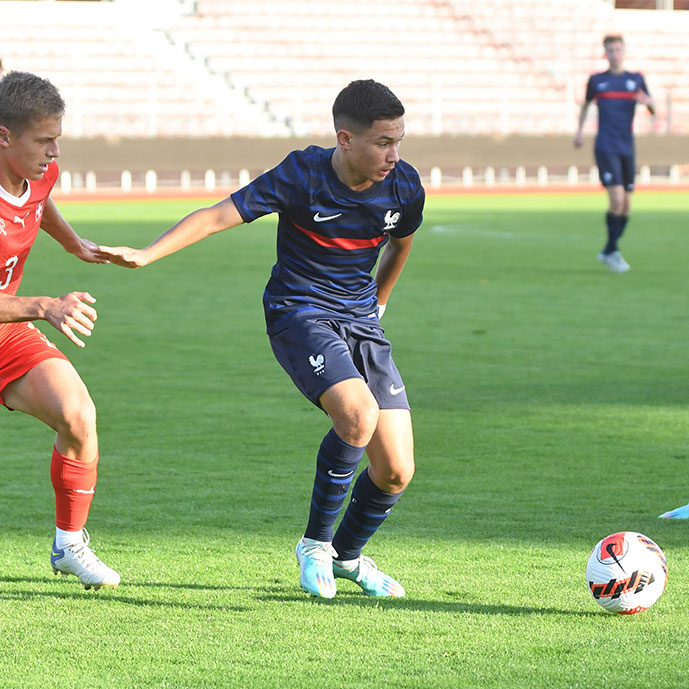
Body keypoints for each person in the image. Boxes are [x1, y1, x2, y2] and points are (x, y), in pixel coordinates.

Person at [99, 79, 424, 599]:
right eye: (384, 142)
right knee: (357, 415)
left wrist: (379, 303)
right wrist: (146, 253)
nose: (394, 154)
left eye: (399, 140)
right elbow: (216, 216)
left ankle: (347, 556)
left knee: (395, 471)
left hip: (361, 320)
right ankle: (315, 545)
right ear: (345, 139)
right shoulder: (302, 174)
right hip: (300, 312)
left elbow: (400, 244)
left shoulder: (405, 185)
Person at [0, 71, 119, 590]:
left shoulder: (40, 174)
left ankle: (69, 545)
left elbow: (39, 203)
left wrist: (74, 244)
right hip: (19, 312)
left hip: (7, 330)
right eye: (44, 140)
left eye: (58, 138)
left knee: (78, 414)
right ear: (4, 136)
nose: (54, 151)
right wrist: (44, 305)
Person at [574, 34, 654, 274]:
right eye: (610, 50)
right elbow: (586, 105)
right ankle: (612, 250)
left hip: (627, 147)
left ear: (624, 51)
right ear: (605, 53)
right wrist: (579, 131)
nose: (615, 54)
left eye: (618, 50)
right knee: (617, 199)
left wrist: (648, 101)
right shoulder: (597, 81)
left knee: (627, 204)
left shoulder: (636, 79)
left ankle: (609, 250)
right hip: (606, 145)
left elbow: (652, 107)